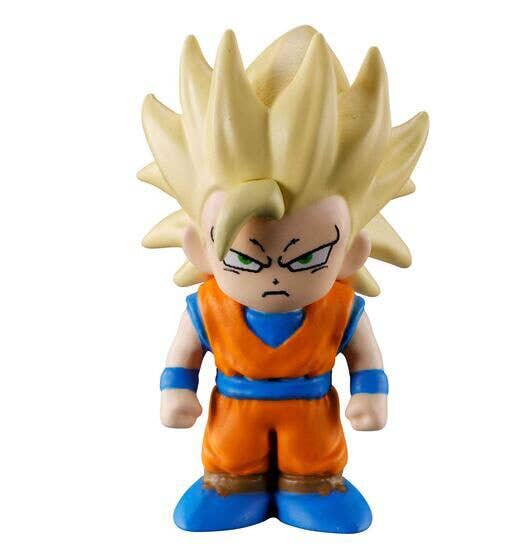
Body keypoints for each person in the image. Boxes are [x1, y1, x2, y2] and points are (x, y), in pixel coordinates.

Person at [138, 25, 428, 533]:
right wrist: (176, 391)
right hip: (233, 420)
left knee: (313, 459)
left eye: (307, 258)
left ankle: (314, 487)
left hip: (312, 419)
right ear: (200, 250)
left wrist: (370, 395)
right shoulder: (207, 308)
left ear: (350, 254)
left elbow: (366, 359)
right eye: (245, 259)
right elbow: (182, 358)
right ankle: (230, 486)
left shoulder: (341, 309)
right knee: (231, 458)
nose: (274, 277)